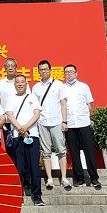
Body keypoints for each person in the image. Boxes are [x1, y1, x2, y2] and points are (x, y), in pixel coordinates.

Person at [32, 60, 71, 191]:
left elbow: (63, 104)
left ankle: (64, 178)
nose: (43, 71)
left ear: (50, 70)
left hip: (56, 121)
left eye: (45, 69)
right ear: (38, 71)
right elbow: (35, 106)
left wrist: (64, 121)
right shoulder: (36, 87)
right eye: (41, 69)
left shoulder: (59, 85)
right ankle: (49, 178)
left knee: (61, 150)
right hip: (42, 122)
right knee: (45, 151)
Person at [61, 64, 102, 189]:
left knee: (89, 151)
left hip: (84, 123)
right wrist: (64, 121)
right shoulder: (62, 88)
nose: (69, 74)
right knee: (74, 153)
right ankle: (79, 178)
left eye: (71, 71)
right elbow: (62, 105)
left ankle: (94, 178)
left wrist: (84, 115)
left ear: (76, 73)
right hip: (70, 124)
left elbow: (90, 104)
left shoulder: (84, 86)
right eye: (66, 72)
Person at [6, 74, 44, 206]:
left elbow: (37, 114)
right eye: (18, 82)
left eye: (22, 82)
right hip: (17, 137)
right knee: (19, 168)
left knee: (34, 167)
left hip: (32, 135)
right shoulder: (11, 98)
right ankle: (19, 195)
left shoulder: (32, 97)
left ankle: (37, 196)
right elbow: (9, 115)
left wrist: (26, 127)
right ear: (14, 84)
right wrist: (20, 128)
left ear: (26, 84)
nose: (20, 84)